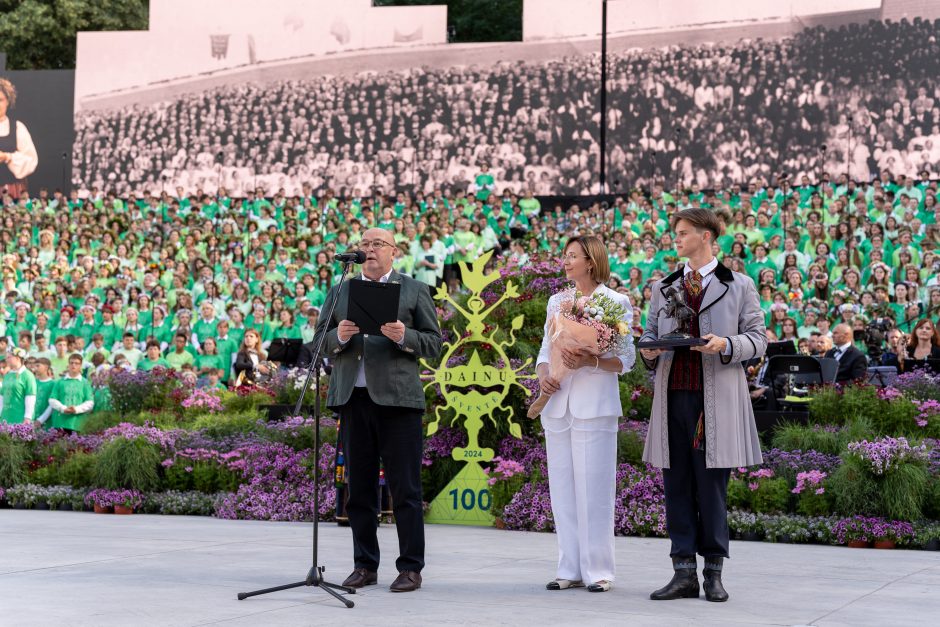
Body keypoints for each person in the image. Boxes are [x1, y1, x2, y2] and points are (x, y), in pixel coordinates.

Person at [639, 208, 766, 603]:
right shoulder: (664, 286)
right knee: (675, 485)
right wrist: (650, 351)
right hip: (672, 397)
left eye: (684, 232)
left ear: (707, 236)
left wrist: (726, 345)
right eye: (675, 232)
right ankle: (682, 573)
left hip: (716, 401)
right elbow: (647, 334)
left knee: (711, 489)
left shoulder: (740, 284)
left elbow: (758, 338)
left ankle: (713, 573)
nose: (676, 238)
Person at [312, 228, 442, 593]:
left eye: (376, 245)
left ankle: (411, 568)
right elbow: (319, 340)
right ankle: (365, 565)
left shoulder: (414, 289)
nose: (369, 250)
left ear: (393, 252)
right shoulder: (342, 288)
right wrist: (339, 335)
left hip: (399, 402)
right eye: (364, 245)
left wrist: (405, 336)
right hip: (354, 400)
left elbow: (434, 343)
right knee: (360, 490)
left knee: (405, 489)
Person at [535, 235, 635, 593]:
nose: (565, 261)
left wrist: (590, 359)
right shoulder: (557, 301)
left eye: (572, 256)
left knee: (595, 491)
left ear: (591, 261)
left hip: (595, 408)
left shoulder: (616, 302)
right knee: (562, 490)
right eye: (564, 255)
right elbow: (545, 350)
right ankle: (569, 568)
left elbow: (626, 359)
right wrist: (545, 376)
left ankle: (599, 571)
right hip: (558, 406)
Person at [0, 78, 39, 198]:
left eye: (0, 100)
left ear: (7, 101)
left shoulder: (17, 127)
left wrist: (8, 157)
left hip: (11, 189)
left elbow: (31, 160)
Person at [47, 353, 95, 432]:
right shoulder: (59, 382)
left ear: (80, 366)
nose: (73, 365)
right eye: (71, 363)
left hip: (78, 423)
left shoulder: (85, 383)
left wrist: (76, 409)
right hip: (60, 422)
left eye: (76, 363)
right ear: (68, 364)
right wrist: (63, 408)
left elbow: (90, 403)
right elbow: (52, 400)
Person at [0, 348, 37, 424]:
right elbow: (1, 396)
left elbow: (30, 397)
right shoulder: (7, 375)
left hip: (20, 418)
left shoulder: (28, 375)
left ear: (17, 358)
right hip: (5, 417)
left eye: (9, 357)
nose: (6, 360)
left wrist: (28, 417)